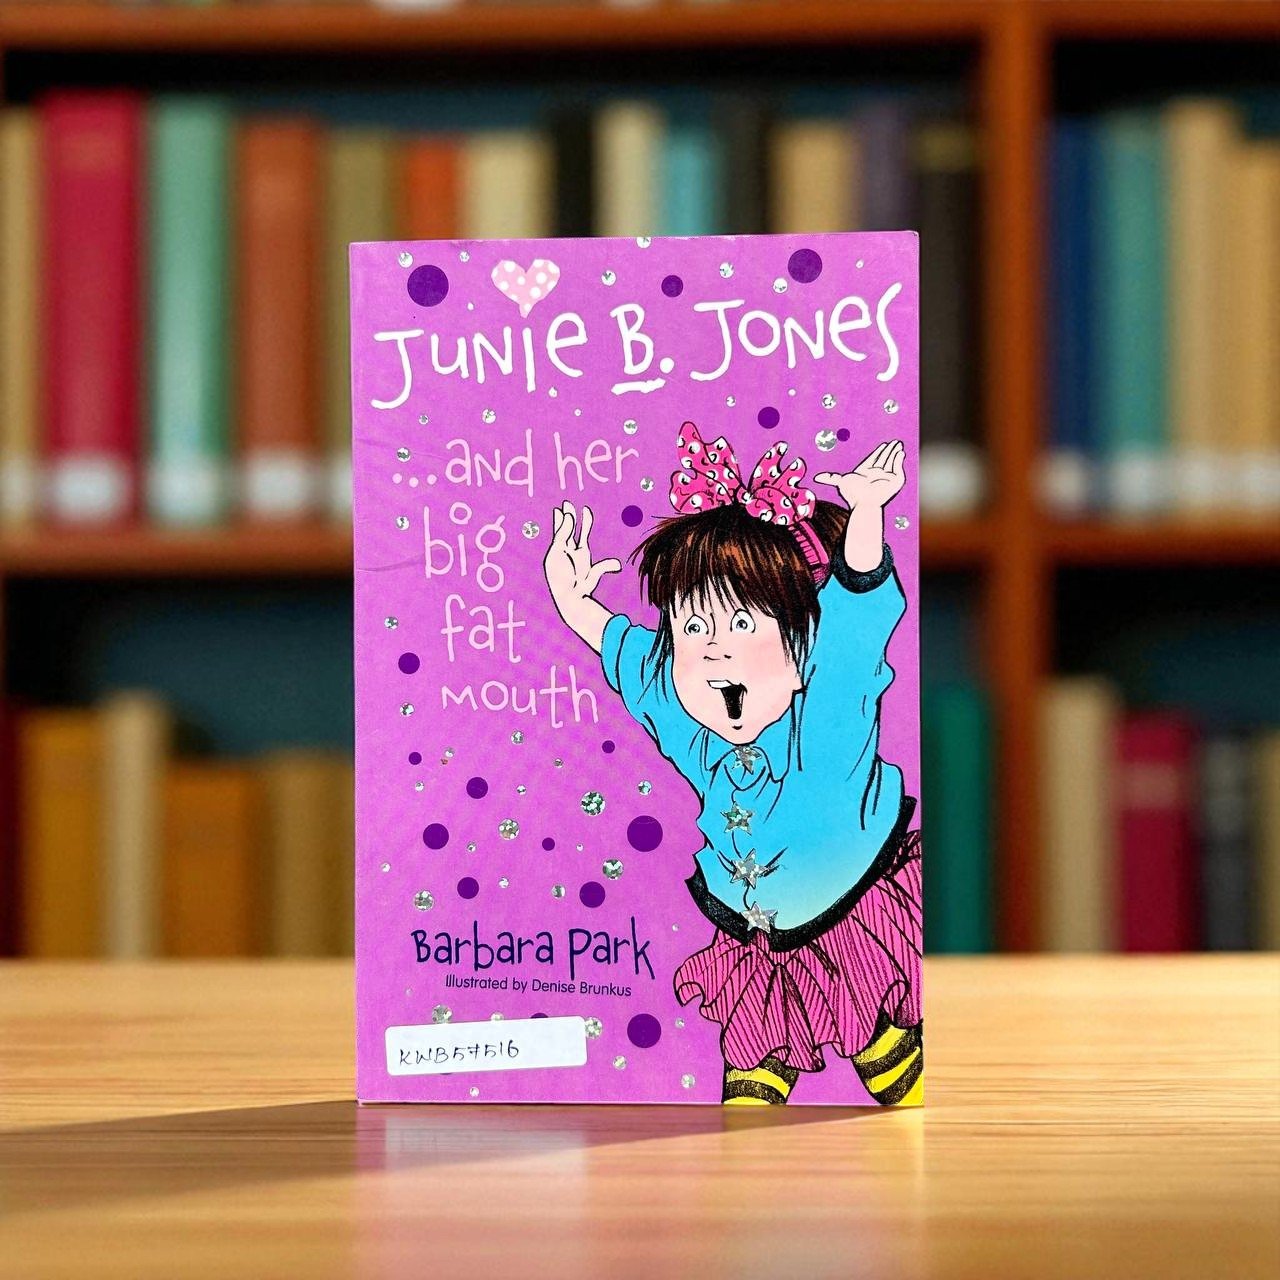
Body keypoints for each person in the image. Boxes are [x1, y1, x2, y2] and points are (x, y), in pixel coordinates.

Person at [544, 423, 922, 1106]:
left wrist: (867, 514)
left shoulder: (827, 716)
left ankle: (881, 1046)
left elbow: (855, 623)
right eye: (694, 627)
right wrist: (576, 604)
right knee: (752, 1082)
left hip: (854, 911)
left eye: (744, 624)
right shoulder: (694, 730)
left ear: (805, 649)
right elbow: (644, 665)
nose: (714, 650)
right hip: (763, 937)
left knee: (882, 1063)